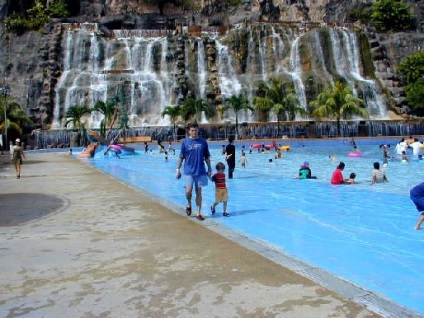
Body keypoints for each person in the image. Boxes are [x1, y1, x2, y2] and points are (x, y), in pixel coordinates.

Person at [175, 123, 212, 221]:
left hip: (200, 171)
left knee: (199, 192)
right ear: (189, 131)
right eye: (192, 130)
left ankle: (198, 212)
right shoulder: (185, 142)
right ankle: (189, 204)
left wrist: (210, 168)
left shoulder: (203, 142)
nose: (194, 132)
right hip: (188, 171)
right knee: (188, 191)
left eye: (195, 130)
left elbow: (207, 157)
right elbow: (181, 157)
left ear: (198, 130)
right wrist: (178, 169)